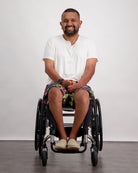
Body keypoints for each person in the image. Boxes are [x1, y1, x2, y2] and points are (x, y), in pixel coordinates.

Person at [43, 8, 98, 150]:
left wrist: (79, 84)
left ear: (80, 23)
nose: (69, 23)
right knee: (54, 92)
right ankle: (62, 137)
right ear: (61, 24)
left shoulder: (88, 43)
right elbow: (49, 68)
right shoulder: (52, 42)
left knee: (84, 95)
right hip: (58, 83)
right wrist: (62, 81)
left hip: (80, 84)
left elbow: (90, 68)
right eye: (65, 20)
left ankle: (73, 138)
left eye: (73, 20)